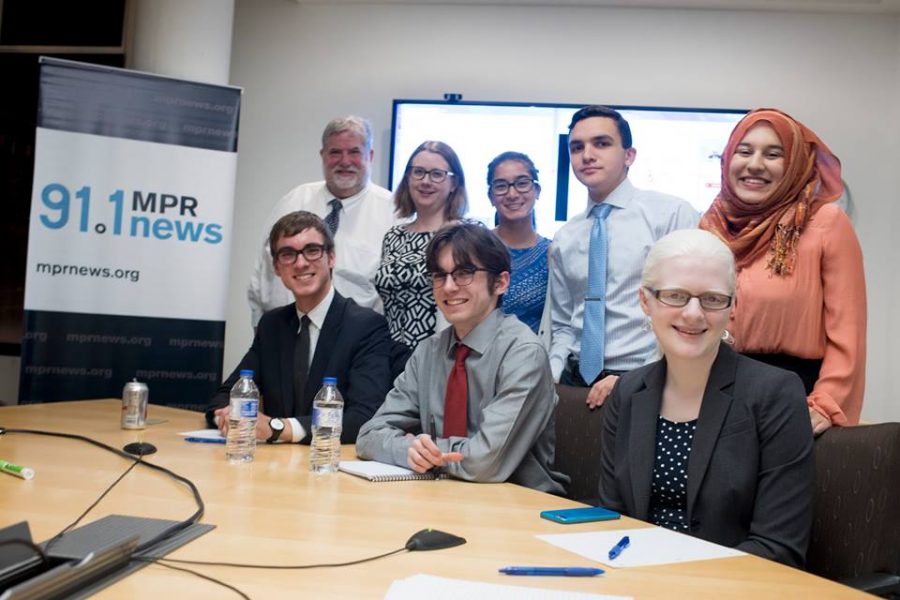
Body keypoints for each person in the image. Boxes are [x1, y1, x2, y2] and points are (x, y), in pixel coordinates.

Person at [598, 229, 815, 568]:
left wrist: (676, 580)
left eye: (712, 299)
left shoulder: (775, 393)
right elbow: (614, 519)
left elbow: (778, 548)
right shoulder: (627, 392)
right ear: (645, 301)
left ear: (732, 307)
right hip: (633, 580)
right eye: (675, 296)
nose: (693, 314)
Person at [357, 223, 568, 494]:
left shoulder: (523, 353)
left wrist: (426, 452)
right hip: (440, 496)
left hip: (518, 507)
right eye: (439, 275)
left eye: (464, 273)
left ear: (501, 282)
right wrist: (410, 450)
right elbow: (368, 436)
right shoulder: (428, 352)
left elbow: (484, 463)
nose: (448, 287)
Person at [699, 108, 866, 435]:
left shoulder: (825, 223)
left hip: (793, 399)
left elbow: (848, 331)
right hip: (711, 392)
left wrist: (826, 402)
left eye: (773, 155)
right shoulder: (710, 227)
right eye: (744, 151)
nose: (755, 164)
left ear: (794, 166)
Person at [550, 105, 698, 408]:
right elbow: (563, 322)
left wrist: (640, 375)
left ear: (629, 155)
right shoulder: (565, 237)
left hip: (647, 376)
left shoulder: (670, 215)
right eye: (577, 147)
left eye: (601, 144)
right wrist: (550, 376)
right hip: (573, 381)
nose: (587, 155)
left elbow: (685, 310)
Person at [209, 211, 394, 444]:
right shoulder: (272, 325)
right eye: (288, 254)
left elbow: (365, 417)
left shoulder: (365, 326)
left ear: (331, 257)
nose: (301, 262)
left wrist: (280, 428)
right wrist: (228, 417)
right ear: (276, 267)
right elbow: (226, 395)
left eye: (312, 250)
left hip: (331, 467)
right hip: (274, 466)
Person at [247, 116, 396, 327]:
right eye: (335, 152)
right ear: (322, 155)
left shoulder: (393, 214)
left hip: (357, 345)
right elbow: (261, 278)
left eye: (354, 152)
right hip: (287, 335)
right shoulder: (293, 201)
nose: (345, 162)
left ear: (369, 156)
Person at [374, 141, 468, 349]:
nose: (426, 181)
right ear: (408, 178)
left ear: (454, 184)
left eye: (437, 174)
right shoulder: (393, 236)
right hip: (390, 357)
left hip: (443, 357)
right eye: (418, 172)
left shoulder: (466, 235)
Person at [487, 151, 550, 335]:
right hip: (477, 358)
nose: (512, 194)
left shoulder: (552, 252)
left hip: (534, 358)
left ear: (536, 191)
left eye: (522, 183)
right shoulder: (476, 248)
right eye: (501, 186)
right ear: (491, 196)